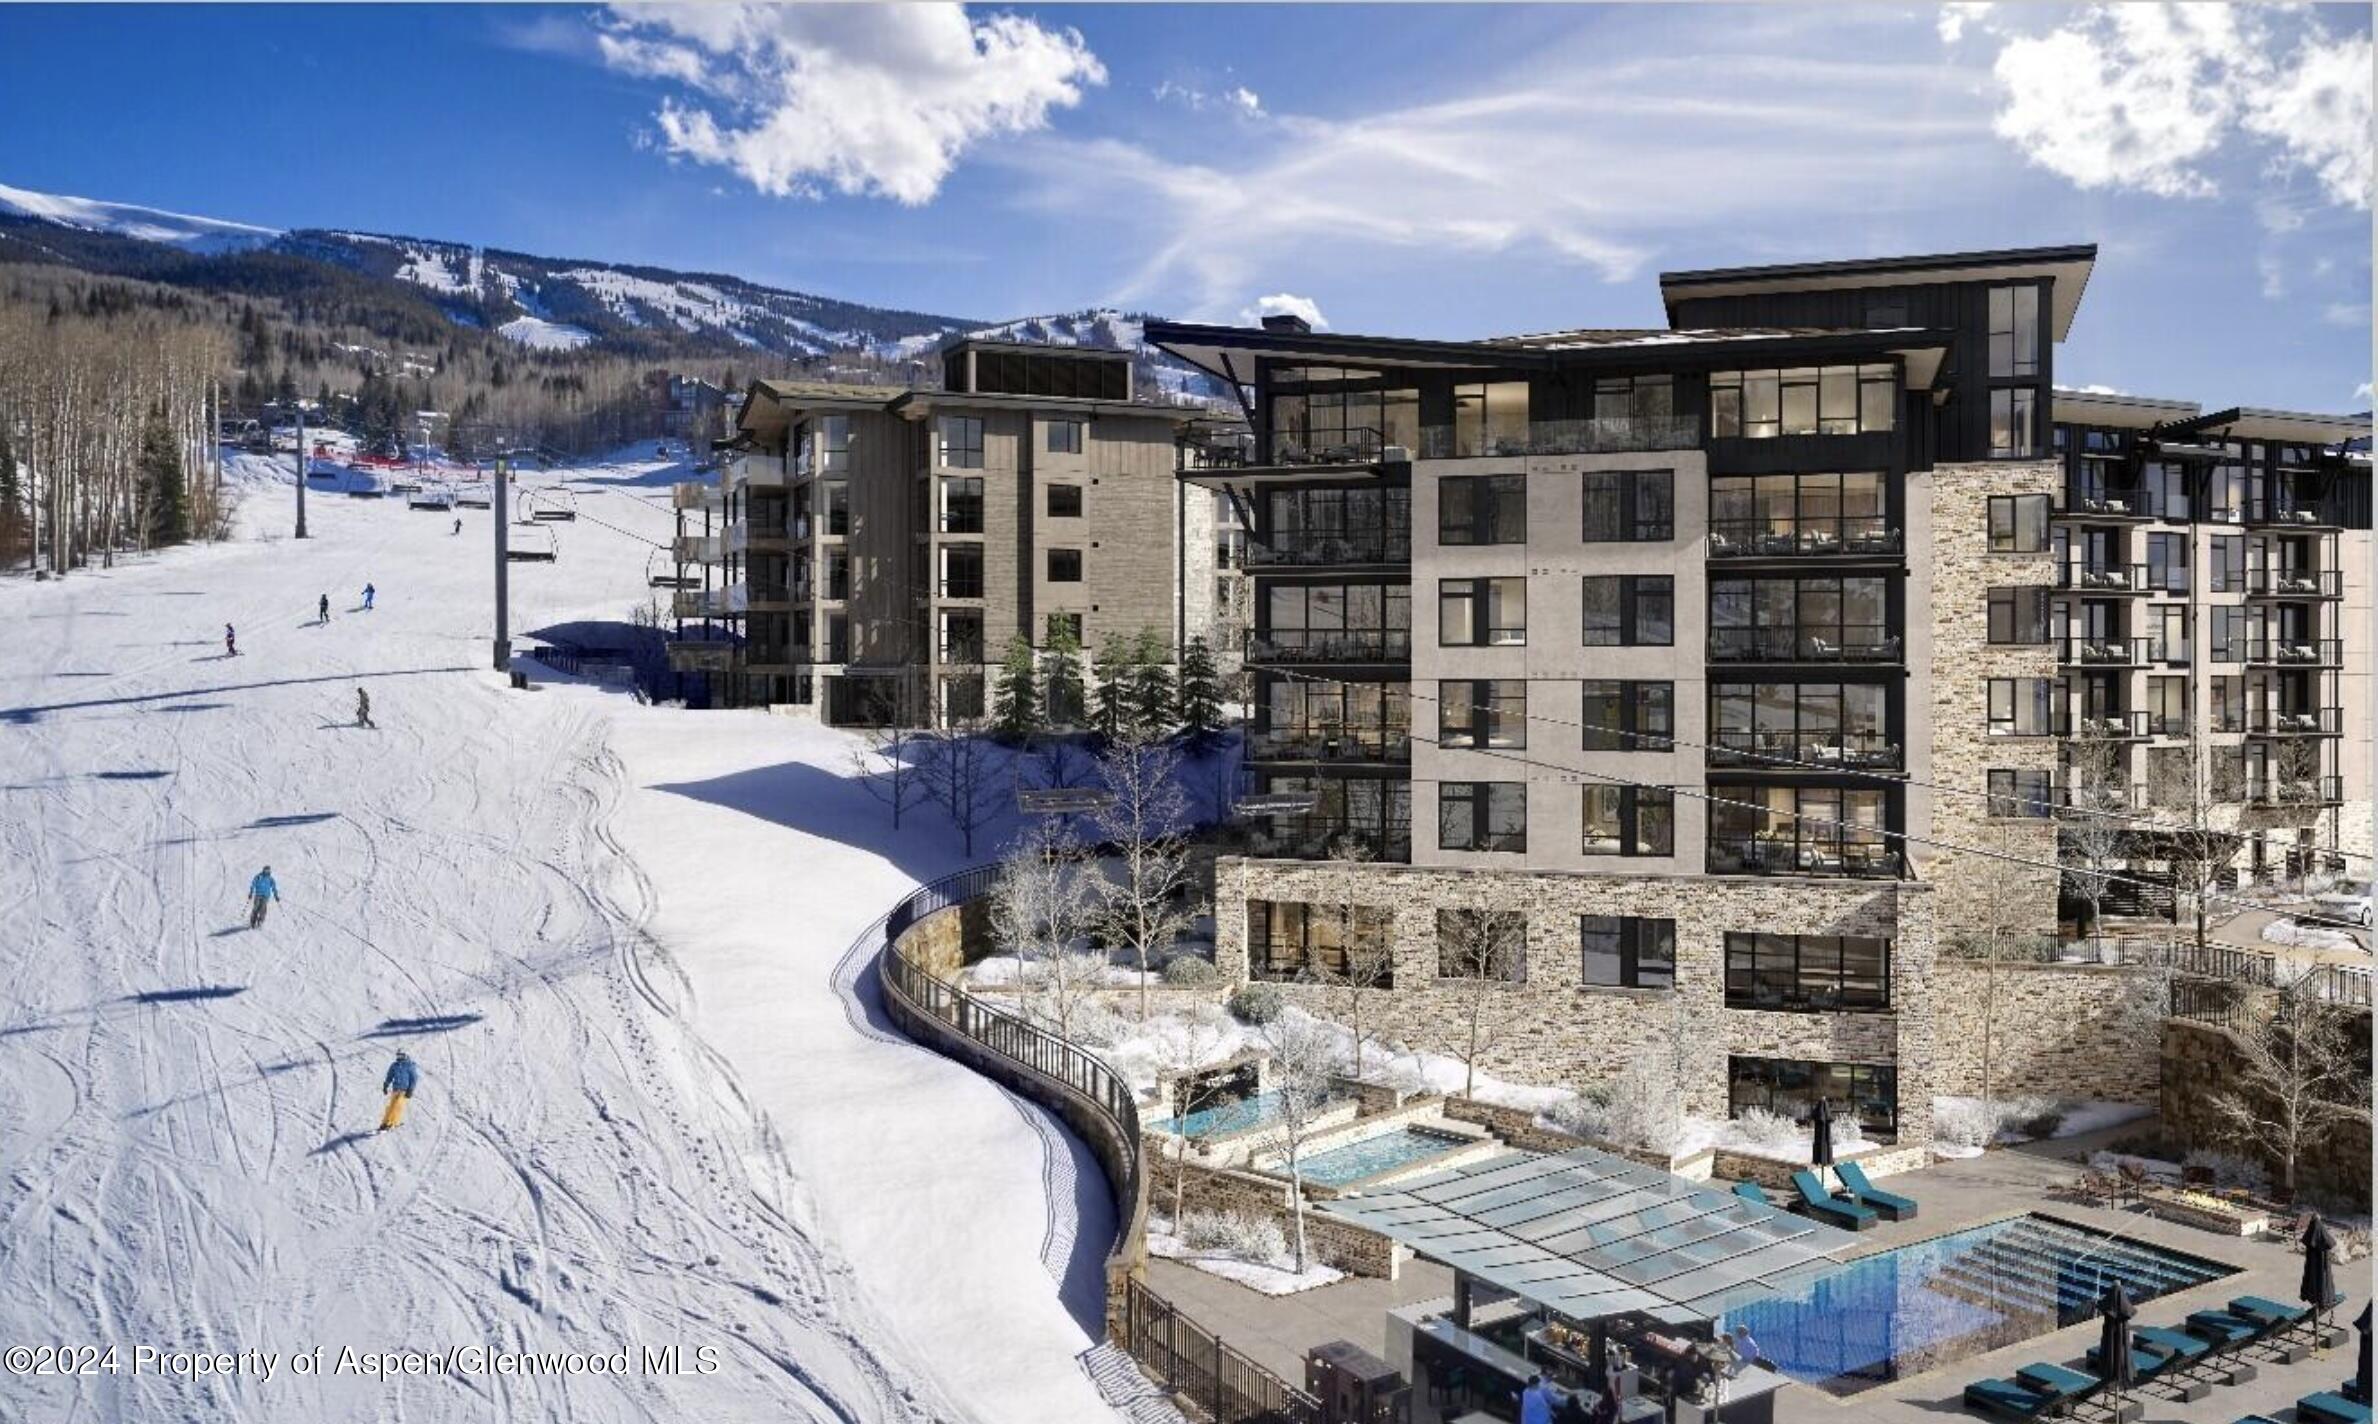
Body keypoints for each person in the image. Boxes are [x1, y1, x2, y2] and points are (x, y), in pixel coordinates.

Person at [378, 1051, 418, 1132]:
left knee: (397, 1106)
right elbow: (389, 1076)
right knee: (391, 1106)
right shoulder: (394, 1065)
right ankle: (385, 1123)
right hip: (395, 1089)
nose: (399, 1058)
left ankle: (391, 1123)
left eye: (401, 1056)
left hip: (404, 1090)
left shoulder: (410, 1066)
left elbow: (414, 1079)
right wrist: (386, 1085)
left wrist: (410, 1090)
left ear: (405, 1056)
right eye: (398, 1056)